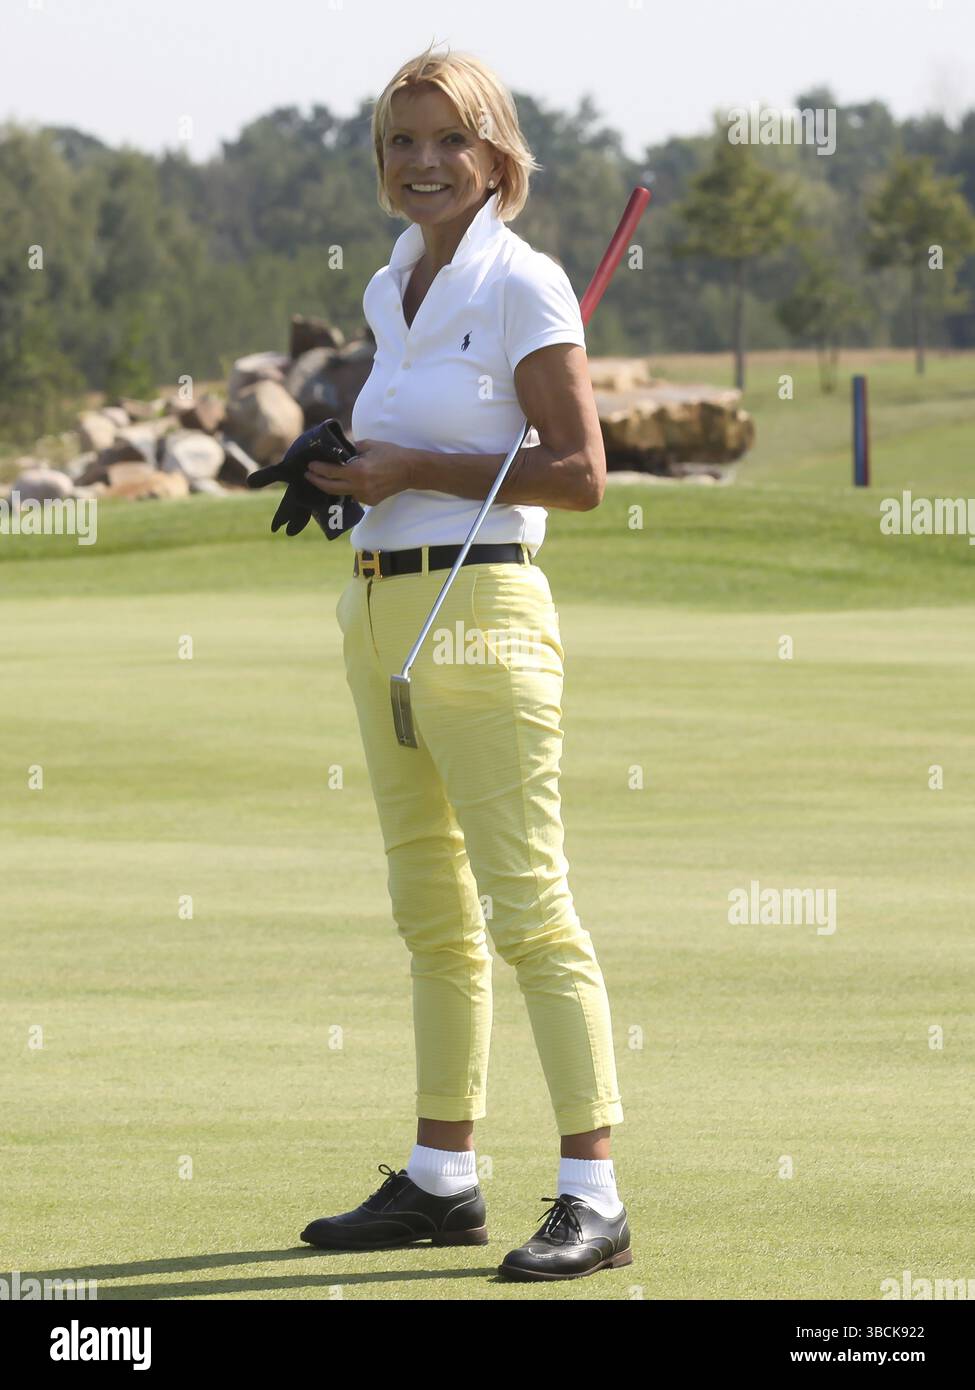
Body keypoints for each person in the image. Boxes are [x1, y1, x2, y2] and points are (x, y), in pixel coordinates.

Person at [299, 42, 630, 1282]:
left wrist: (412, 470)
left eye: (449, 140)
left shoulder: (524, 284)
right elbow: (418, 445)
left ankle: (593, 1191)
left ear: (497, 158)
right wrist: (341, 474)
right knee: (431, 918)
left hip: (485, 619)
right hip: (380, 612)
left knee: (529, 912)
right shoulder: (395, 288)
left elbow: (582, 475)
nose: (423, 163)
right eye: (401, 141)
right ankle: (444, 1175)